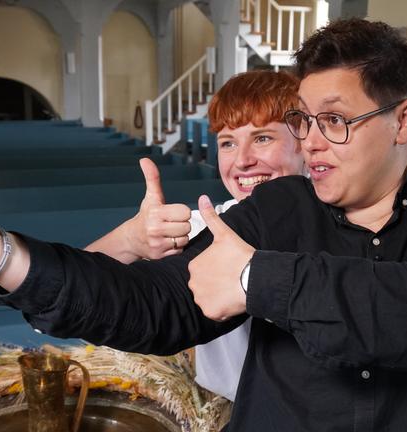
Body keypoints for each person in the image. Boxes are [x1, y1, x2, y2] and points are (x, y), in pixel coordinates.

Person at [0, 18, 407, 431]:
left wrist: (260, 279)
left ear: (404, 120)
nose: (312, 143)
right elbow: (151, 303)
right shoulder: (281, 210)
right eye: (306, 121)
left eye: (336, 121)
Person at [85, 70, 305, 402]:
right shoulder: (203, 227)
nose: (243, 161)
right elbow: (78, 287)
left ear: (305, 142)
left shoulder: (341, 227)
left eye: (262, 138)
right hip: (226, 409)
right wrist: (131, 239)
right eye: (228, 143)